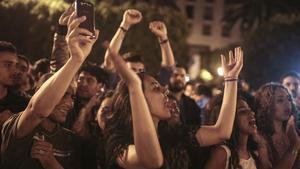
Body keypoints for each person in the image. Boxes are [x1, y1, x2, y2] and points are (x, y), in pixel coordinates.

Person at [104, 45, 243, 169]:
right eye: (156, 88)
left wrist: (231, 79)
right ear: (137, 98)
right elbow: (152, 161)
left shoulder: (174, 133)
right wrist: (134, 87)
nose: (165, 91)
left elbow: (221, 132)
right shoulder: (119, 144)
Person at [1, 12, 99, 169]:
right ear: (39, 91)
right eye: (63, 94)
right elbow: (37, 110)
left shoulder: (72, 140)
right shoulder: (20, 127)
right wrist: (75, 59)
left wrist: (51, 164)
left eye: (72, 97)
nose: (68, 102)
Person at [102, 9, 176, 87]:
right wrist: (125, 25)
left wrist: (163, 38)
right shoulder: (114, 84)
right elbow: (109, 60)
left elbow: (168, 69)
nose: (137, 74)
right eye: (132, 70)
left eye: (141, 71)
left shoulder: (148, 89)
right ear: (121, 72)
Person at [204, 94, 270, 169]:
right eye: (243, 111)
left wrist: (262, 146)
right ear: (229, 119)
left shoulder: (254, 153)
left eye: (250, 110)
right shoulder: (223, 153)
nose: (252, 114)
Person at [255, 83, 300, 169]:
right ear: (267, 105)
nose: (287, 104)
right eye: (280, 100)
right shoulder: (260, 138)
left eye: (289, 99)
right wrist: (294, 145)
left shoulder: (296, 131)